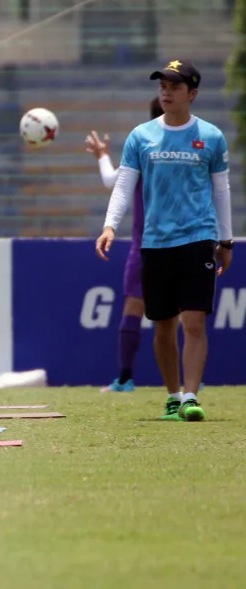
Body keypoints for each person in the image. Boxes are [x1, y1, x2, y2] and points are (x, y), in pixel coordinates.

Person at [96, 60, 233, 422]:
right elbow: (123, 185)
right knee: (163, 325)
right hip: (155, 243)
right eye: (163, 85)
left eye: (175, 86)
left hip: (198, 238)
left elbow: (222, 191)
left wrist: (226, 240)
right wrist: (110, 225)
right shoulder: (141, 136)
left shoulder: (212, 137)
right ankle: (172, 395)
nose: (167, 91)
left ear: (193, 93)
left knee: (194, 322)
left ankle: (190, 396)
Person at [86, 98, 164, 392]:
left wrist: (103, 157)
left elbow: (111, 183)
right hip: (183, 242)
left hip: (145, 244)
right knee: (183, 311)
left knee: (135, 304)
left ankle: (125, 378)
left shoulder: (144, 149)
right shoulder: (190, 149)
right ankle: (191, 381)